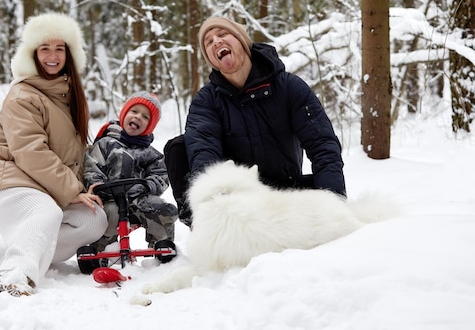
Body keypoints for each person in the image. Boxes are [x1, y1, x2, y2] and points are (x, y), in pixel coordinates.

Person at [166, 16, 346, 227]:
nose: (216, 41)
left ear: (242, 40)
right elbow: (203, 151)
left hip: (286, 193)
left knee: (327, 194)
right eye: (208, 42)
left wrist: (335, 203)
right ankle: (206, 227)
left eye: (223, 34)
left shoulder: (289, 87)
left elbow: (323, 145)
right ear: (211, 59)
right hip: (237, 198)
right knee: (178, 148)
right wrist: (212, 208)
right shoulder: (206, 100)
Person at [0, 13, 108, 296]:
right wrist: (72, 189)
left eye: (59, 49)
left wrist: (87, 184)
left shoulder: (67, 96)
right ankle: (14, 273)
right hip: (9, 182)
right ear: (33, 54)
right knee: (45, 211)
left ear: (69, 54)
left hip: (45, 187)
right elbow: (30, 151)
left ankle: (29, 248)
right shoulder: (23, 95)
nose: (52, 56)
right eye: (44, 49)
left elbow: (73, 154)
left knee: (94, 219)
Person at [83, 92, 178, 259]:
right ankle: (102, 251)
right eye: (134, 111)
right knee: (107, 214)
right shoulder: (105, 144)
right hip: (109, 198)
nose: (138, 117)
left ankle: (161, 246)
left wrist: (147, 185)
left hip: (138, 198)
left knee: (162, 209)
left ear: (150, 126)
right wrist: (99, 187)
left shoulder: (149, 153)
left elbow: (161, 175)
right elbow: (92, 168)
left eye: (145, 117)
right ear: (124, 113)